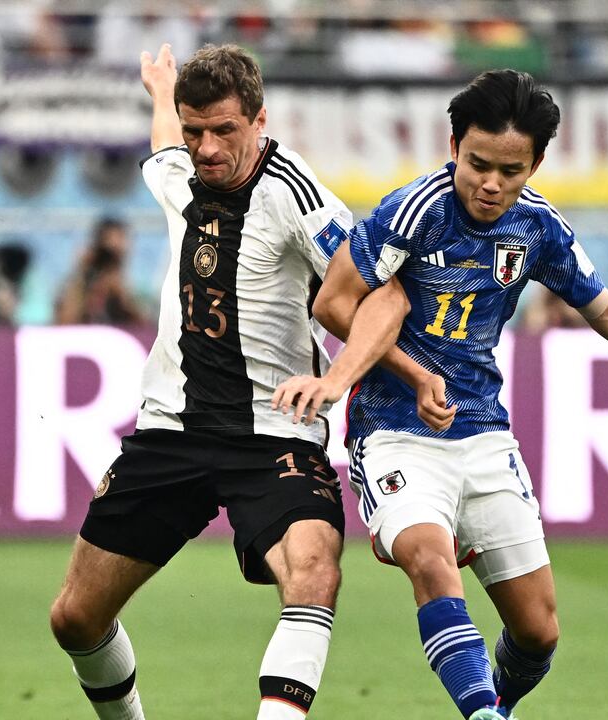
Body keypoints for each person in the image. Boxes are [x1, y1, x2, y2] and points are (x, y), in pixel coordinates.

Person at [274, 70, 608, 720]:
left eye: (510, 170)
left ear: (534, 163)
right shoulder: (413, 212)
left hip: (483, 433)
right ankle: (481, 713)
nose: (490, 183)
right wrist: (413, 374)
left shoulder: (537, 227)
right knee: (430, 558)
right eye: (477, 163)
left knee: (538, 633)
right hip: (395, 429)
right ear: (453, 145)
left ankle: (497, 705)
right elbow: (336, 302)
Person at [48, 43, 408, 720]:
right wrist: (160, 94)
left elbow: (383, 297)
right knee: (74, 619)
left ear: (259, 119)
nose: (206, 149)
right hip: (170, 433)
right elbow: (164, 149)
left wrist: (340, 379)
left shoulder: (298, 196)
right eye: (194, 131)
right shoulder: (182, 169)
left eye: (223, 131)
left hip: (272, 434)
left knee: (315, 570)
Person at [56, 218, 147, 326]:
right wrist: (82, 277)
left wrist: (120, 294)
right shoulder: (81, 279)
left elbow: (142, 322)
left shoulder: (131, 280)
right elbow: (65, 319)